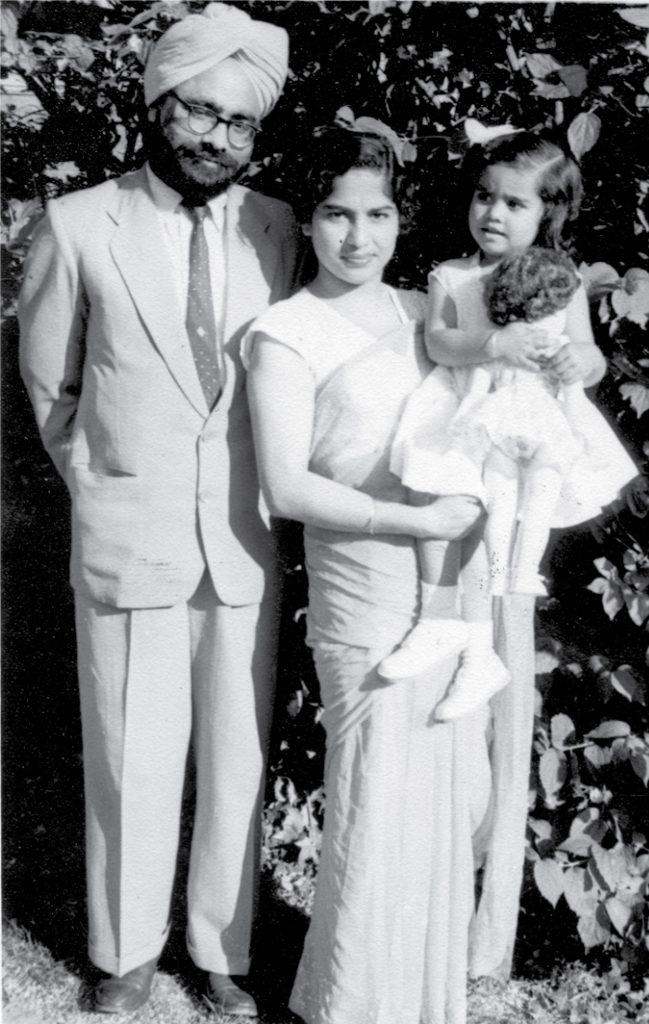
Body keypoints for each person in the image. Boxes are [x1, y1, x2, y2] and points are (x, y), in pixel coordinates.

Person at [18, 4, 295, 1016]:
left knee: (237, 754)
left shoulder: (279, 228)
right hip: (131, 535)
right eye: (200, 112)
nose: (218, 139)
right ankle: (125, 951)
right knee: (129, 752)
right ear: (157, 104)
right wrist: (103, 485)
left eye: (240, 124)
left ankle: (221, 950)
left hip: (242, 543)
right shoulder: (79, 222)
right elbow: (51, 392)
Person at [245, 122, 492, 1024]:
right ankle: (346, 1002)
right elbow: (286, 482)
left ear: (401, 218)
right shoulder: (282, 332)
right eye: (337, 214)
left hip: (445, 578)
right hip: (358, 579)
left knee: (440, 785)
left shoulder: (425, 315)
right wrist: (411, 518)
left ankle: (424, 1000)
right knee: (375, 789)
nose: (359, 236)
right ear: (305, 223)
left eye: (379, 213)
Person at [380, 130, 637, 722]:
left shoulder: (559, 276)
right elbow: (442, 342)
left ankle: (491, 645)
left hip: (538, 419)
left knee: (518, 532)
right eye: (483, 196)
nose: (492, 213)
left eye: (514, 203)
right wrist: (494, 341)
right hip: (471, 412)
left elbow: (587, 351)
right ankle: (451, 627)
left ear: (548, 212)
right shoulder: (451, 274)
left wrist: (582, 361)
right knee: (457, 512)